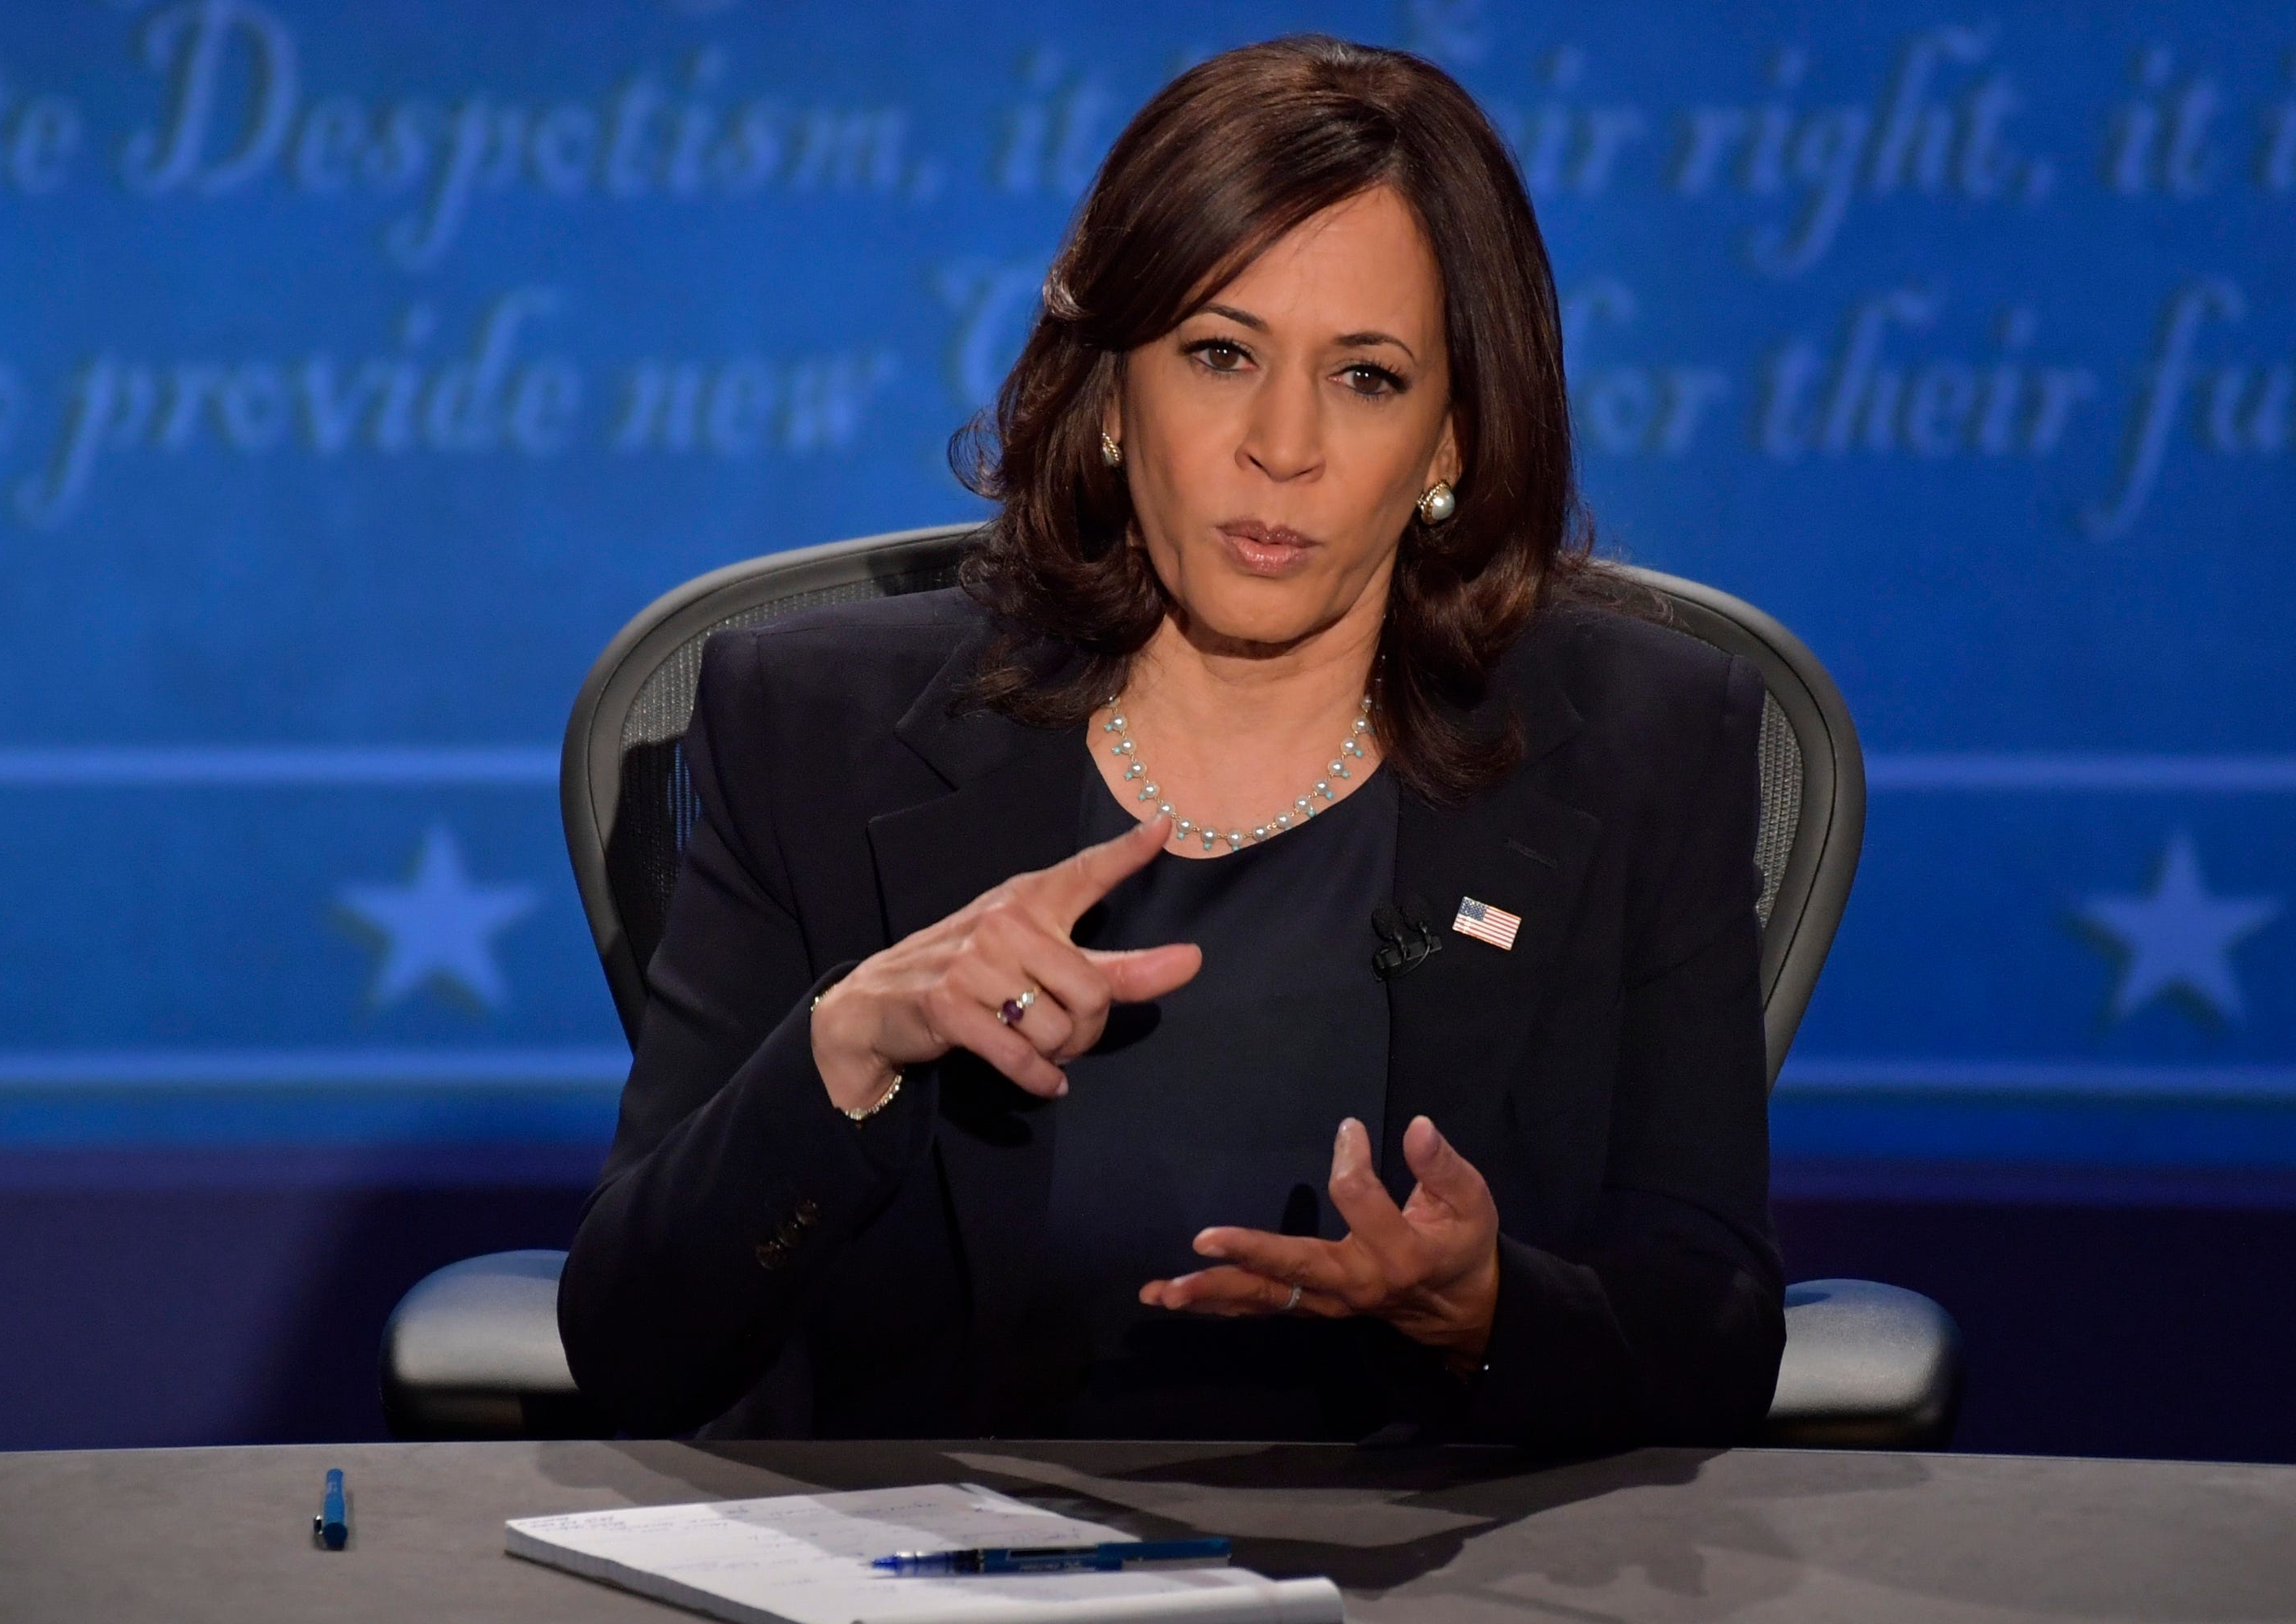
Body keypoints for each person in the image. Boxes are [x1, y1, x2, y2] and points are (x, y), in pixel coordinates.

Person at [558, 34, 1784, 1449]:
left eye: (1369, 377)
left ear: (1450, 440)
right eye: (1219, 353)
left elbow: (1717, 1332)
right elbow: (635, 1351)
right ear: (1114, 398)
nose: (1283, 444)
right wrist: (856, 1044)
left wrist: (1493, 1311)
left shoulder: (1642, 743)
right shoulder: (819, 733)